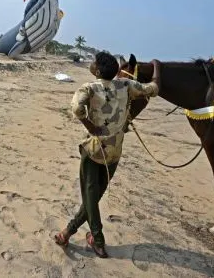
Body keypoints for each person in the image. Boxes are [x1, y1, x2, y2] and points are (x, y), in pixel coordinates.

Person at [53, 52, 161, 258]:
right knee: (94, 197)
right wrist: (157, 67)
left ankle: (98, 239)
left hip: (94, 149)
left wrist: (90, 127)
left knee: (90, 196)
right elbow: (153, 89)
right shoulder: (126, 85)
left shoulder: (89, 88)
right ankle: (68, 232)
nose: (92, 65)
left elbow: (76, 108)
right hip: (114, 152)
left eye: (94, 63)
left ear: (98, 71)